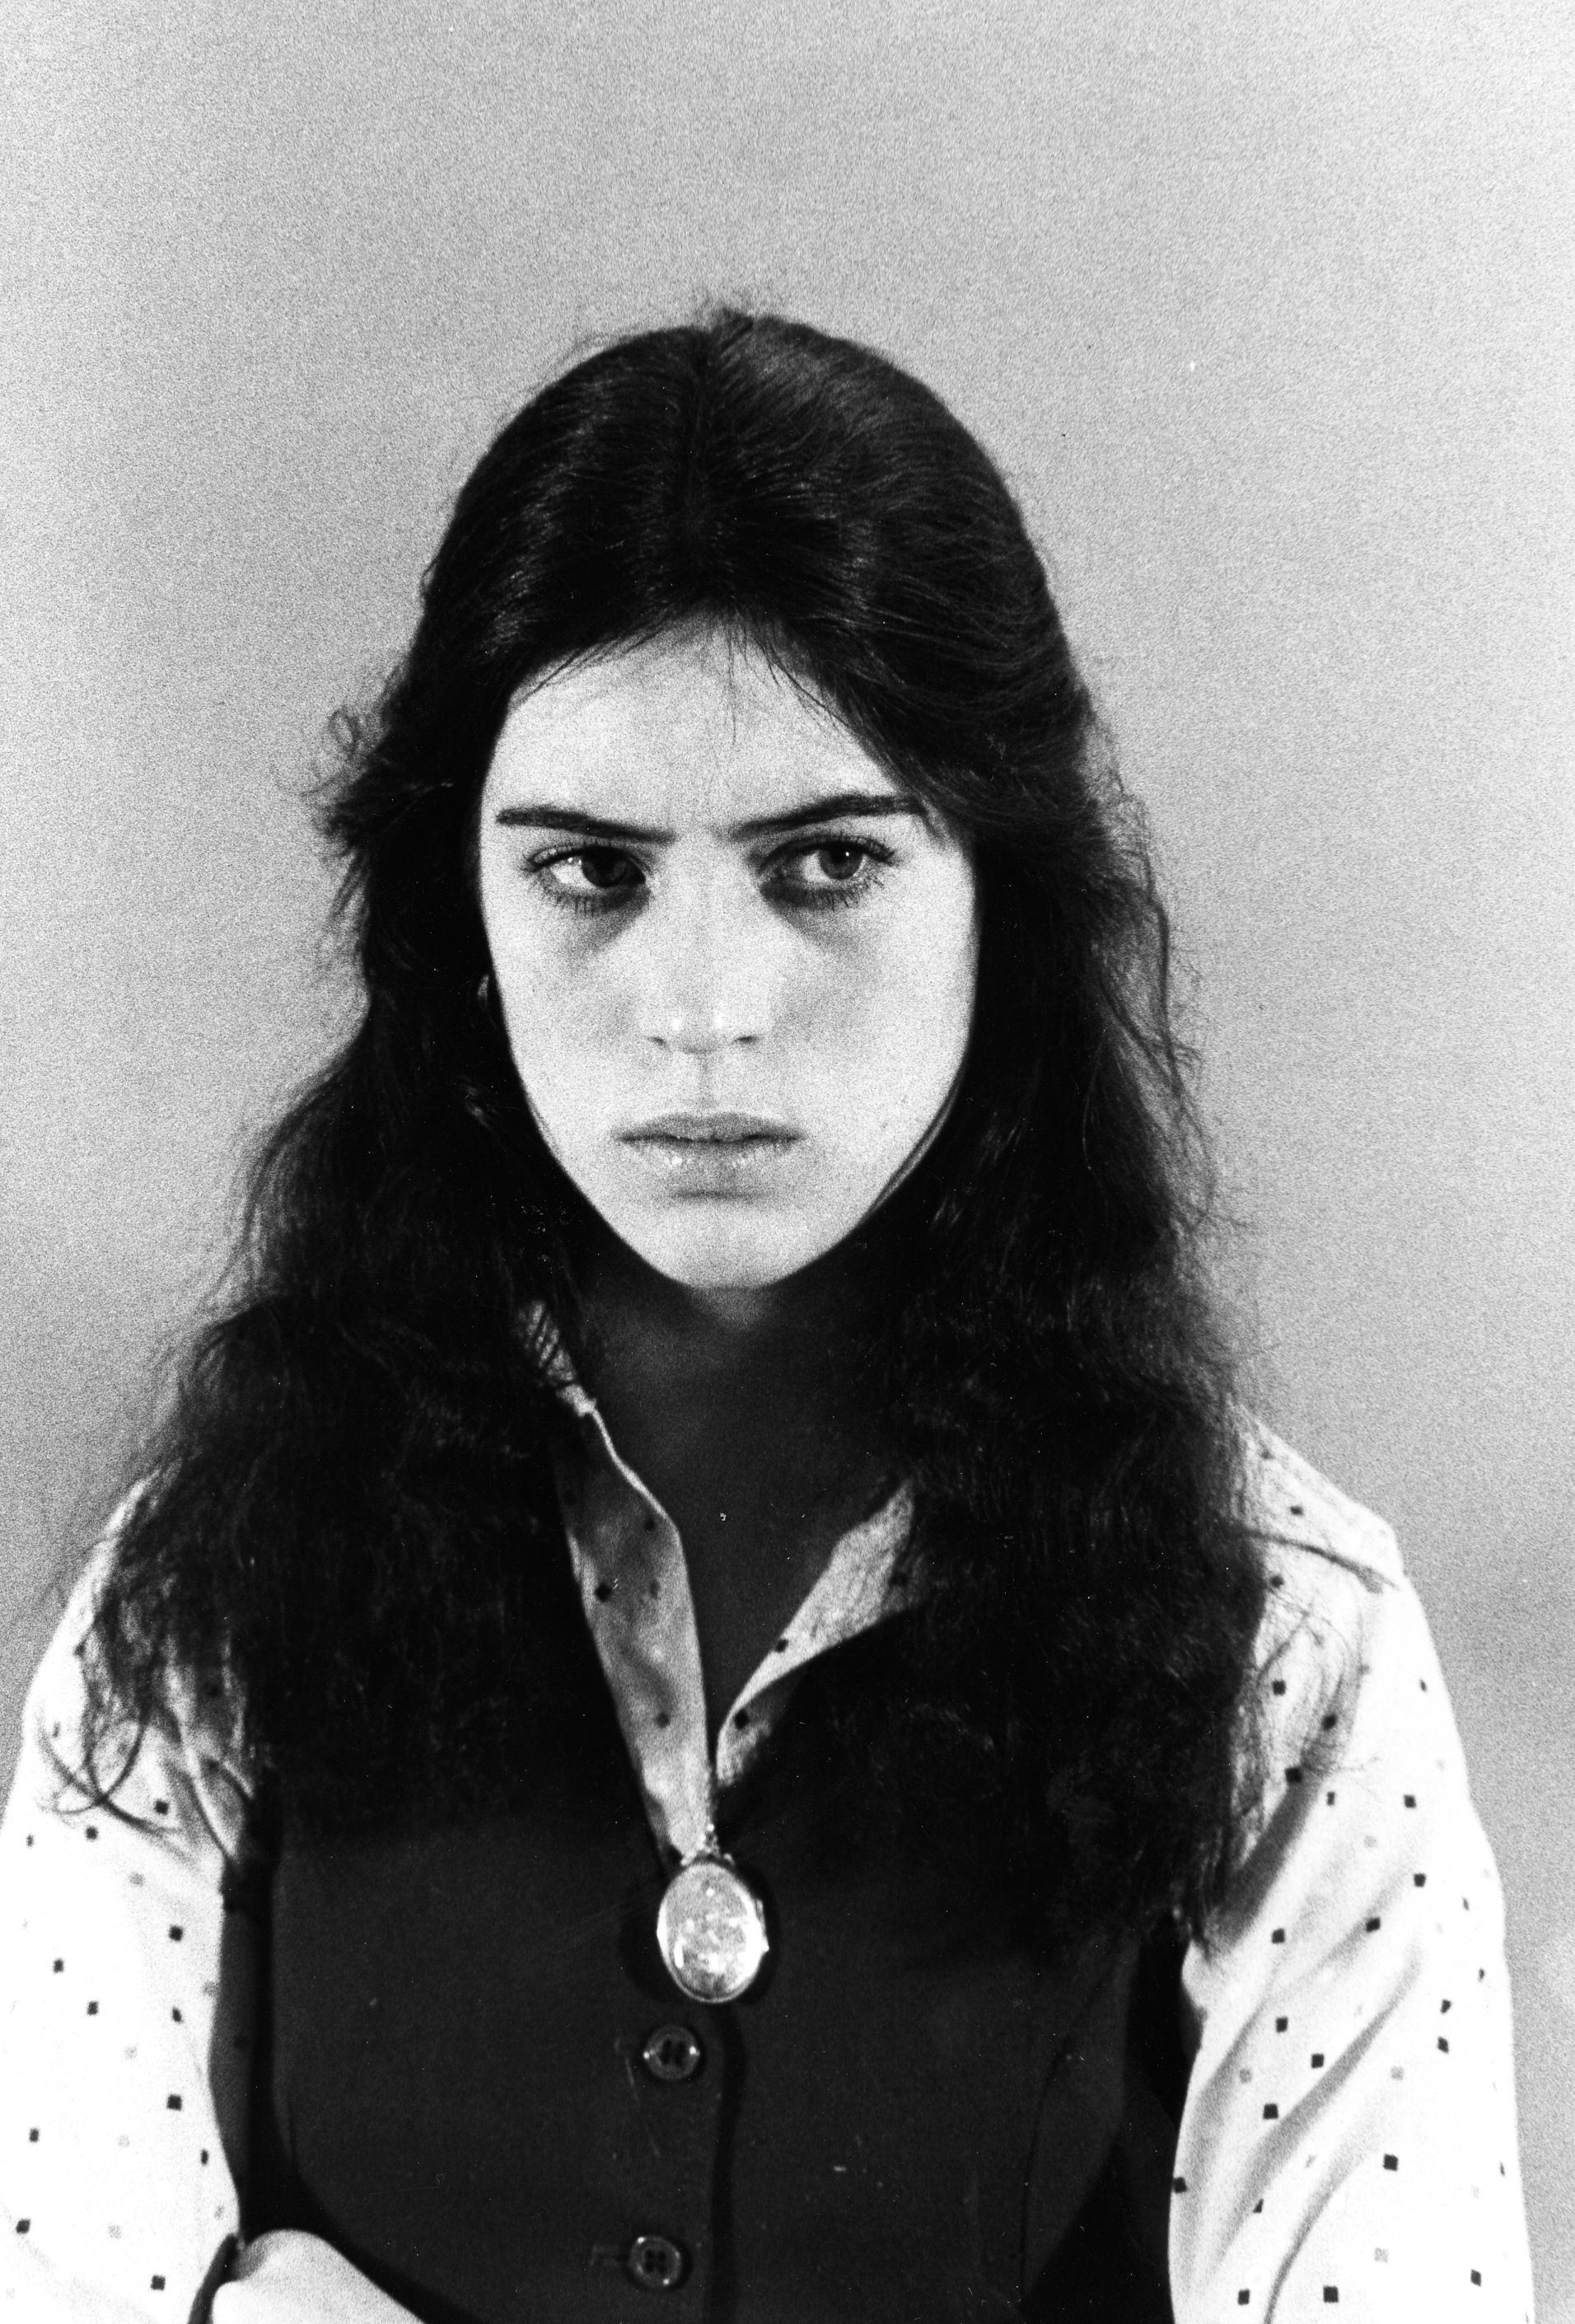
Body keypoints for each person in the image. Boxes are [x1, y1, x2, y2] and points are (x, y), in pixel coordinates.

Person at [0, 311, 1533, 2324]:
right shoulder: (204, 1597)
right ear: (458, 924)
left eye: (821, 865)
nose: (704, 1006)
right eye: (589, 872)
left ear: (999, 899)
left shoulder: (1292, 1640)